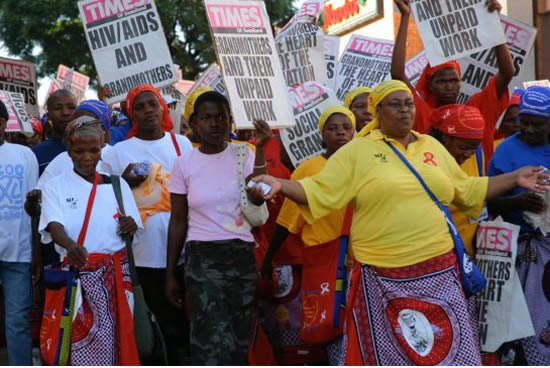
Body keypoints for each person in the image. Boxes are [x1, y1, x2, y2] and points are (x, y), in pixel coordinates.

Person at [252, 80, 547, 365]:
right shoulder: (357, 151)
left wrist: (514, 177)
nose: (405, 110)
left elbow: (468, 191)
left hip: (441, 272)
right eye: (395, 104)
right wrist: (278, 183)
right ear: (377, 111)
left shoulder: (431, 146)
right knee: (391, 358)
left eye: (408, 103)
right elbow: (317, 191)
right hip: (383, 278)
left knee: (455, 356)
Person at [166, 91, 268, 365]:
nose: (214, 124)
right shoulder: (183, 163)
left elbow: (258, 194)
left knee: (237, 338)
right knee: (208, 338)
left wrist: (262, 149)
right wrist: (171, 274)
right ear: (194, 122)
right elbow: (177, 221)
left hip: (241, 256)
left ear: (230, 120)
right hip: (202, 259)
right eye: (207, 118)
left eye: (221, 117)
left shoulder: (244, 154)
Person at [37, 118, 142, 365]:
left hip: (118, 278)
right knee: (80, 347)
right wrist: (71, 246)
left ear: (101, 150)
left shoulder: (118, 185)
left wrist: (130, 225)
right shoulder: (56, 186)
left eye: (93, 150)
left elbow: (134, 225)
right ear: (69, 152)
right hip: (79, 279)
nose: (87, 157)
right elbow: (54, 225)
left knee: (120, 345)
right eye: (79, 151)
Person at [101, 84, 193, 364]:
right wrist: (124, 183)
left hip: (185, 251)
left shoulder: (182, 144)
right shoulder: (118, 153)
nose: (147, 110)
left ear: (162, 107)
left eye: (152, 104)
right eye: (139, 107)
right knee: (157, 328)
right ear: (131, 114)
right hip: (144, 255)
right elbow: (103, 199)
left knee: (184, 325)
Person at [261, 106, 355, 364]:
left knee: (354, 321)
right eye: (333, 128)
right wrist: (269, 259)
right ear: (322, 134)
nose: (341, 133)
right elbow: (287, 221)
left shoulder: (364, 164)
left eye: (346, 127)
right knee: (325, 320)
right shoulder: (307, 169)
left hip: (358, 258)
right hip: (321, 258)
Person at [391, 0, 514, 163]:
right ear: (430, 85)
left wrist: (493, 24)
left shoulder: (476, 109)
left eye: (454, 81)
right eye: (441, 81)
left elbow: (507, 73)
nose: (449, 86)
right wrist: (405, 16)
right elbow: (398, 74)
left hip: (480, 187)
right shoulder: (423, 114)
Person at [488, 86, 550, 365]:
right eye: (523, 122)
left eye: (538, 125)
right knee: (526, 323)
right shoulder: (505, 152)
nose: (529, 130)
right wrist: (518, 202)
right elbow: (488, 201)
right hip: (519, 253)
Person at [0, 99, 38, 365]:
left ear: (3, 124)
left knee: (17, 321)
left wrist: (35, 252)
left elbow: (35, 207)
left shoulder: (24, 155)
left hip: (19, 254)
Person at [430, 105, 487, 256]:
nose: (469, 154)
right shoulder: (428, 160)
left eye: (474, 148)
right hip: (440, 253)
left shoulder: (478, 155)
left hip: (469, 252)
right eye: (463, 147)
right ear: (446, 138)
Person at [37, 100, 113, 187]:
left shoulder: (115, 156)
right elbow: (42, 191)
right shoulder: (61, 159)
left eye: (87, 122)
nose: (87, 157)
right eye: (76, 122)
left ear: (102, 127)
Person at [31, 89, 76, 175]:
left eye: (71, 107)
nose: (65, 113)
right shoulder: (34, 154)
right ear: (48, 116)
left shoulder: (93, 150)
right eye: (58, 108)